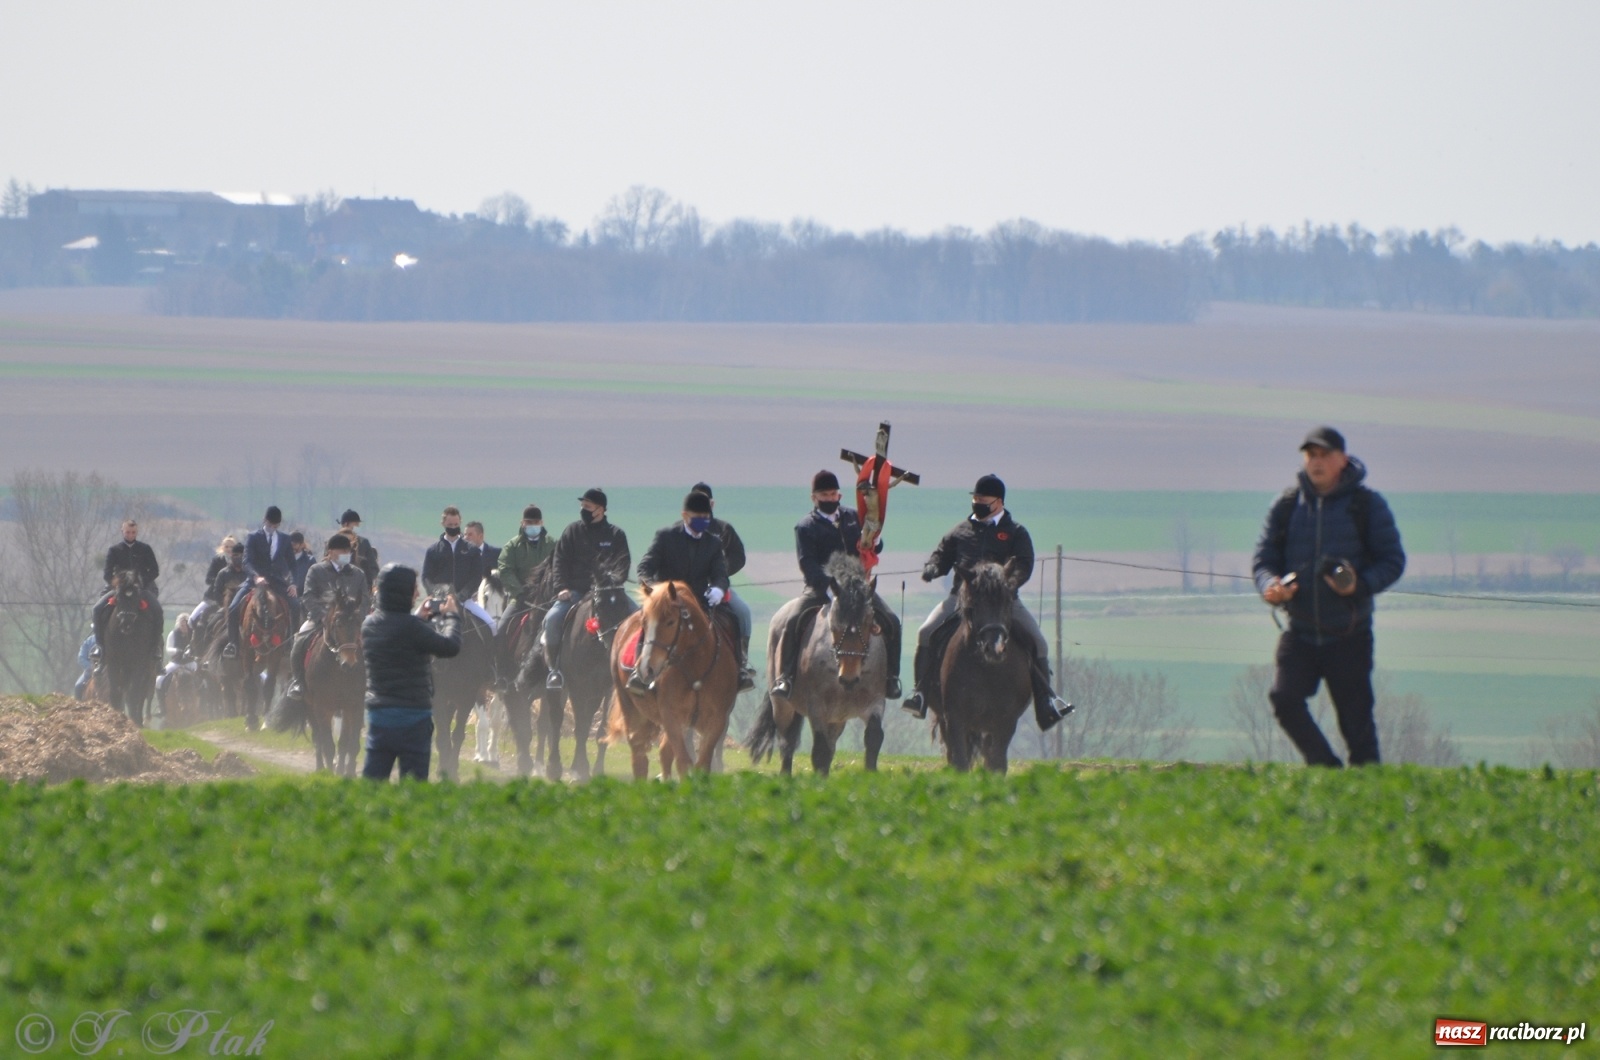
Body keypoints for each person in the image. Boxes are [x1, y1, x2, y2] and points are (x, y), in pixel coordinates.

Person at [1253, 427, 1406, 767]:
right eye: (1311, 455)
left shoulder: (1367, 506)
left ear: (1343, 459)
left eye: (1324, 455)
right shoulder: (1286, 506)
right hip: (1301, 631)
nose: (1317, 462)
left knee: (1358, 730)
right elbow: (1263, 561)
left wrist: (1359, 585)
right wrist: (1271, 587)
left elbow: (1393, 561)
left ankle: (1370, 799)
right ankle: (1327, 772)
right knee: (1284, 699)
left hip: (1349, 635)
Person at [902, 474, 1068, 731]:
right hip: (962, 600)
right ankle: (920, 695)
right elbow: (941, 556)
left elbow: (1024, 564)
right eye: (975, 498)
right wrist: (932, 567)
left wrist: (1008, 586)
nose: (977, 503)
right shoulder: (960, 531)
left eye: (983, 499)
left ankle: (1046, 703)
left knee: (1039, 643)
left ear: (998, 502)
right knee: (926, 632)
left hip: (1002, 603)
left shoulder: (1015, 532)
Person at [770, 470, 902, 701]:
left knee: (892, 621)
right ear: (814, 498)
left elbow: (870, 547)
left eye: (833, 494)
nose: (830, 499)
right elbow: (807, 564)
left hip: (858, 589)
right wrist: (831, 588)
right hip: (820, 588)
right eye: (825, 495)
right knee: (793, 621)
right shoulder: (805, 527)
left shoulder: (853, 516)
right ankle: (786, 676)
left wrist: (876, 539)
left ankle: (891, 678)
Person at [634, 491, 752, 691]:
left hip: (699, 601)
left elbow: (720, 574)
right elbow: (644, 568)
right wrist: (655, 590)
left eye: (705, 518)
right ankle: (639, 671)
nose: (702, 522)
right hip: (667, 602)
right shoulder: (666, 537)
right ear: (684, 516)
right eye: (697, 518)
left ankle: (740, 668)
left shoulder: (713, 543)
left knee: (732, 618)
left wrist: (718, 589)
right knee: (650, 624)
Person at [361, 564, 461, 781]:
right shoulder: (414, 629)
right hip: (414, 719)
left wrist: (417, 618)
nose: (417, 594)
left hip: (380, 717)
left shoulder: (369, 625)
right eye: (414, 589)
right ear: (403, 592)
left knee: (372, 787)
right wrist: (452, 617)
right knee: (413, 790)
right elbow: (450, 646)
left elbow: (398, 630)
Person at [542, 488, 635, 690]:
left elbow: (623, 564)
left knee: (639, 616)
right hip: (574, 591)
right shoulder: (572, 531)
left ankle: (635, 669)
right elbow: (559, 562)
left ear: (600, 509)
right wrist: (561, 587)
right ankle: (554, 670)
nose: (583, 509)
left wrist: (612, 583)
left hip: (609, 594)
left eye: (588, 506)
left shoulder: (616, 535)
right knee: (552, 619)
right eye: (582, 506)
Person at [282, 534, 372, 704]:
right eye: (342, 551)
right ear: (330, 552)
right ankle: (298, 682)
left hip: (350, 622)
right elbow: (308, 596)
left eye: (348, 551)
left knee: (372, 645)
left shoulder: (358, 574)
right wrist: (323, 617)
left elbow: (365, 599)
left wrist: (358, 618)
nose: (346, 553)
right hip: (320, 619)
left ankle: (369, 685)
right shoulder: (316, 570)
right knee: (299, 641)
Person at [689, 482, 755, 688]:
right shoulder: (678, 530)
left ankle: (742, 661)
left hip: (718, 588)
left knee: (743, 612)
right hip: (688, 590)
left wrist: (720, 574)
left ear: (712, 503)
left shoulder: (724, 529)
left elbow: (739, 556)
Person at [225, 506, 298, 659]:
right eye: (270, 524)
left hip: (277, 582)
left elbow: (292, 564)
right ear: (265, 521)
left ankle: (292, 643)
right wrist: (256, 577)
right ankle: (232, 644)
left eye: (275, 525)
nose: (272, 528)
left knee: (295, 605)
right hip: (254, 582)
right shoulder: (253, 537)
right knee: (233, 607)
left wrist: (293, 583)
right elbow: (247, 562)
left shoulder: (285, 539)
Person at [93, 519, 163, 661]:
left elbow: (155, 570)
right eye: (128, 532)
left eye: (133, 532)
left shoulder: (145, 549)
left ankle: (156, 647)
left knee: (158, 610)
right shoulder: (114, 550)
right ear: (122, 531)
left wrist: (142, 582)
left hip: (142, 588)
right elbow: (107, 573)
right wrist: (117, 584)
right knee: (97, 609)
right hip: (119, 589)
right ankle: (99, 646)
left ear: (136, 532)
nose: (130, 535)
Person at [423, 507, 493, 631]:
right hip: (438, 602)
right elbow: (426, 577)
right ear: (443, 524)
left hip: (465, 601)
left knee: (492, 625)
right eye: (450, 524)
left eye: (456, 524)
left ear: (460, 522)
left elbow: (476, 576)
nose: (453, 527)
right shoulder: (433, 551)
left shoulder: (472, 550)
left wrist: (463, 594)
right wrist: (436, 593)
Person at [193, 540, 247, 641]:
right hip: (225, 608)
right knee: (210, 626)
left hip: (245, 609)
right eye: (235, 555)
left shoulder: (248, 574)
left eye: (241, 555)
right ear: (231, 556)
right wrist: (224, 605)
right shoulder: (223, 573)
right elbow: (217, 592)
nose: (238, 558)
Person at [154, 614, 196, 698]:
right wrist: (177, 651)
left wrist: (191, 651)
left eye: (186, 625)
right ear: (178, 625)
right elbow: (168, 649)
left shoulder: (193, 634)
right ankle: (162, 704)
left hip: (190, 662)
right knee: (159, 680)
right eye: (182, 625)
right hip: (176, 662)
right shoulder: (173, 634)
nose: (184, 627)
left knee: (202, 677)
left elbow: (197, 646)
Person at [339, 509, 381, 586]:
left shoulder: (363, 543)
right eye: (355, 524)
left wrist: (366, 583)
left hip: (359, 586)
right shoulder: (332, 542)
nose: (357, 526)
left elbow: (373, 568)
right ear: (345, 524)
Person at [465, 521, 501, 593]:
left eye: (470, 535)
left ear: (480, 536)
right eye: (465, 534)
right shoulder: (461, 556)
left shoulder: (496, 554)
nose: (466, 538)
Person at [288, 531, 315, 596]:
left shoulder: (309, 560)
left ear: (302, 545)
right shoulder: (283, 558)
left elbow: (313, 580)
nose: (292, 548)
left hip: (303, 595)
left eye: (294, 545)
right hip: (285, 591)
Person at [74, 633, 96, 701]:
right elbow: (81, 658)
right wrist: (91, 667)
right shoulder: (89, 641)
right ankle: (78, 707)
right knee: (78, 686)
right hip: (89, 673)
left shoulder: (112, 640)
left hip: (109, 673)